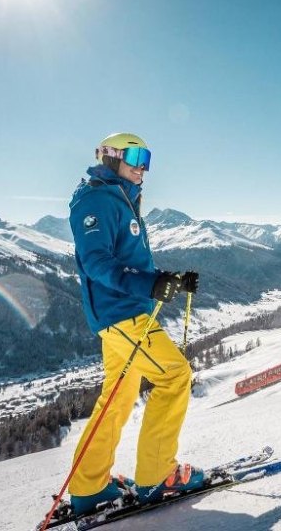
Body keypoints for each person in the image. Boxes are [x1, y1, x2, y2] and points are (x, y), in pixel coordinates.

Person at [67, 132, 202, 514]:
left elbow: (129, 261)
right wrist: (148, 283)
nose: (143, 167)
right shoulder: (97, 200)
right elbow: (97, 263)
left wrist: (166, 279)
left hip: (122, 312)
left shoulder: (120, 197)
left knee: (119, 395)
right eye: (136, 156)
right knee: (174, 376)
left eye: (147, 158)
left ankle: (89, 486)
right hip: (121, 315)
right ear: (111, 158)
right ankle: (158, 475)